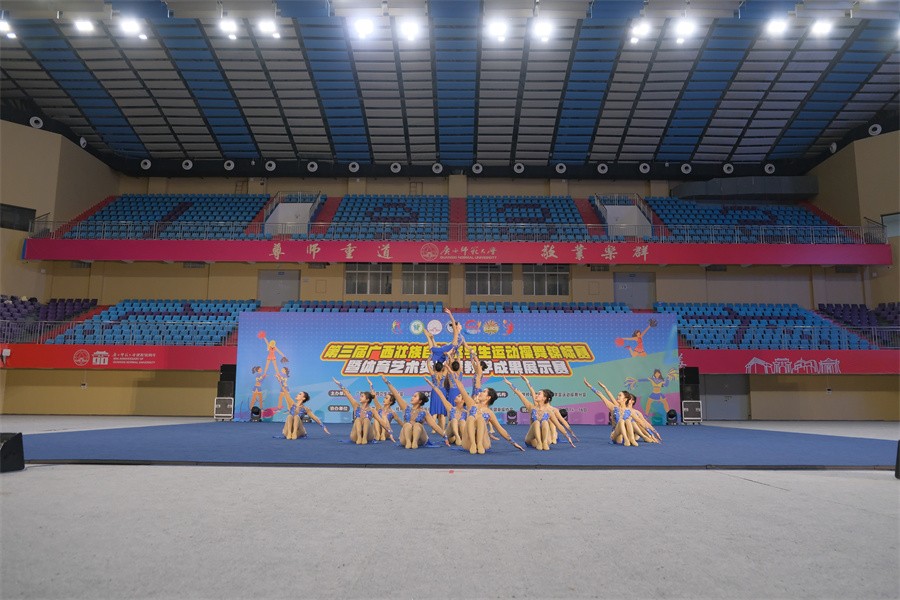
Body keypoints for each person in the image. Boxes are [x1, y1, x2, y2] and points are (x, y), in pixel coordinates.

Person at [448, 369, 524, 454]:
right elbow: (461, 388)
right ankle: (473, 443)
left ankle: (479, 444)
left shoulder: (490, 412)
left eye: (484, 392)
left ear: (488, 397)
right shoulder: (471, 404)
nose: (480, 393)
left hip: (483, 443)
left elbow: (500, 429)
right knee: (470, 418)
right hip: (468, 443)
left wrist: (513, 443)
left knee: (480, 419)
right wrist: (454, 376)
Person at [503, 376, 574, 450]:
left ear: (544, 398)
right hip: (532, 439)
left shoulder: (549, 411)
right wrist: (510, 384)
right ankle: (539, 442)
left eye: (539, 394)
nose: (536, 395)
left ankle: (544, 442)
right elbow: (520, 394)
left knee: (545, 422)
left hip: (546, 439)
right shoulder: (531, 407)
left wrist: (568, 437)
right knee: (536, 422)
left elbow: (558, 425)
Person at [380, 375, 446, 449]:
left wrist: (445, 436)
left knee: (417, 425)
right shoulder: (406, 408)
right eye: (412, 396)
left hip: (419, 439)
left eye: (415, 396)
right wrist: (387, 382)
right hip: (405, 438)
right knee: (407, 425)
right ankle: (408, 442)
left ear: (420, 401)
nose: (412, 398)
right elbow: (396, 394)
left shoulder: (424, 412)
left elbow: (435, 426)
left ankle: (414, 442)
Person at [332, 378, 394, 444]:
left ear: (367, 399)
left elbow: (381, 421)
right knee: (358, 419)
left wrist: (389, 432)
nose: (360, 398)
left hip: (368, 436)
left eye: (362, 396)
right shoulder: (356, 406)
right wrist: (339, 384)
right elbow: (348, 394)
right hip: (355, 435)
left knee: (366, 419)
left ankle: (364, 437)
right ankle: (359, 437)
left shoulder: (372, 410)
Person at [583, 378, 639, 447]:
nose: (617, 397)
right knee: (621, 421)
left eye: (620, 395)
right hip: (616, 435)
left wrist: (649, 433)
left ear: (625, 399)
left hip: (626, 433)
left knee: (628, 420)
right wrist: (590, 386)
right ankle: (627, 439)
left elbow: (640, 422)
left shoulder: (629, 411)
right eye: (618, 395)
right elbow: (601, 395)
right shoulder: (614, 408)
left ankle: (632, 439)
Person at [423, 375, 468, 448]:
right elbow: (440, 394)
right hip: (450, 434)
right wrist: (431, 384)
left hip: (461, 433)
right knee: (454, 420)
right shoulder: (450, 408)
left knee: (462, 422)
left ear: (463, 400)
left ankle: (463, 438)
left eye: (459, 396)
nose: (456, 397)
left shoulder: (466, 411)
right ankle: (457, 437)